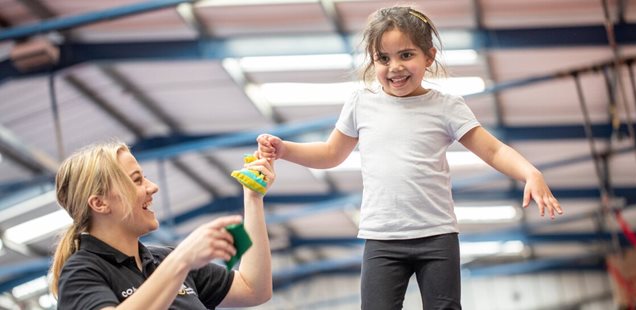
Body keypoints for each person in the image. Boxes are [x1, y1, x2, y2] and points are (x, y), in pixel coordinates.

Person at [257, 6, 563, 310]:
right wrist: (285, 149)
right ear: (372, 60)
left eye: (406, 55)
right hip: (382, 237)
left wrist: (530, 173)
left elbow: (493, 149)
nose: (395, 68)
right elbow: (330, 153)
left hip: (436, 235)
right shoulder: (361, 102)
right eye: (383, 59)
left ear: (428, 57)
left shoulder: (445, 106)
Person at [49, 140, 274, 309]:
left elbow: (255, 288)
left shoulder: (162, 260)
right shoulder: (81, 273)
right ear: (99, 203)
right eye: (137, 180)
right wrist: (182, 259)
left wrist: (253, 198)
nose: (152, 187)